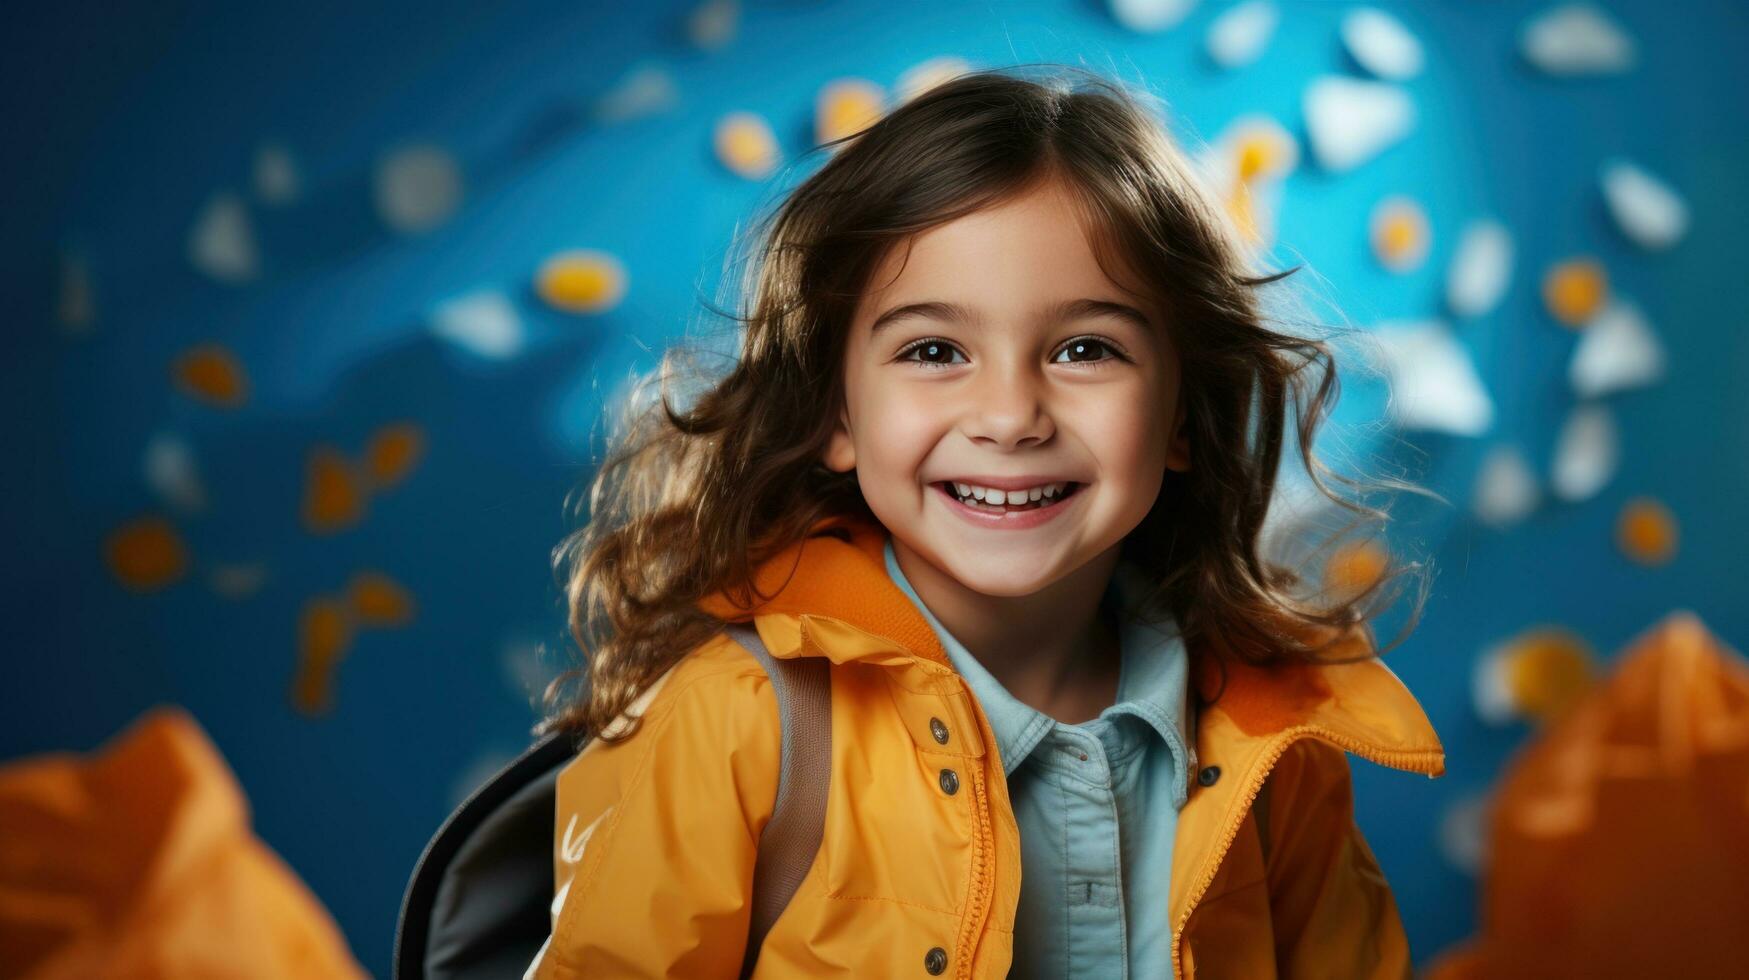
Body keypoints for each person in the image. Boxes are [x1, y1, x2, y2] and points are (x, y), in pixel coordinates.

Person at [525, 64, 1445, 979]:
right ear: (835, 414)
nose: (1009, 416)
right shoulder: (732, 726)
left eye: (1087, 349)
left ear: (1182, 415)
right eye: (934, 350)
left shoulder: (1275, 746)